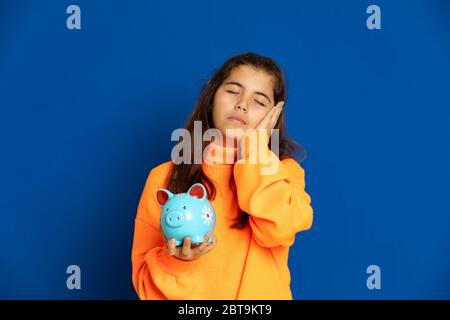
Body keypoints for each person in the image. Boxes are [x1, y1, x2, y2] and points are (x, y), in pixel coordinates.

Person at [131, 52, 314, 299]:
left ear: (273, 117)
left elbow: (279, 230)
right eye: (232, 91)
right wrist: (177, 262)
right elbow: (145, 287)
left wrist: (256, 154)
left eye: (259, 101)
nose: (242, 104)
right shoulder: (164, 178)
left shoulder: (283, 172)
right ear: (211, 97)